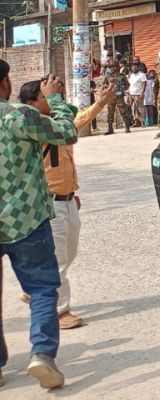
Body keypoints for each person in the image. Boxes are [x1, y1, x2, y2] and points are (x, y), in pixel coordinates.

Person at [0, 66, 79, 389]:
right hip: (27, 220)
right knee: (43, 289)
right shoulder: (17, 115)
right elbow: (66, 133)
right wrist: (56, 98)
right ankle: (42, 355)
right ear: (5, 83)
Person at [17, 80, 114, 331]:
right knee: (58, 259)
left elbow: (77, 123)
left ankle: (39, 288)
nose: (51, 98)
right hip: (49, 203)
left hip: (68, 198)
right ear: (31, 104)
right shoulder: (32, 127)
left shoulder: (58, 126)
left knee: (69, 253)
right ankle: (60, 311)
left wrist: (100, 104)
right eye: (44, 96)